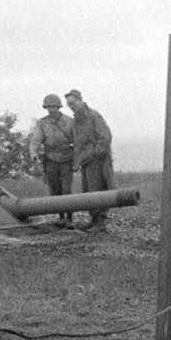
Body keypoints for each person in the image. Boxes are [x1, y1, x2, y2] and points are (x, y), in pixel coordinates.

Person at [66, 88, 115, 233]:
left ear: (80, 101)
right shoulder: (76, 121)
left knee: (98, 190)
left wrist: (97, 153)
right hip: (86, 161)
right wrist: (77, 161)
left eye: (73, 103)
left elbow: (105, 136)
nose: (72, 107)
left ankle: (101, 223)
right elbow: (77, 143)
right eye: (69, 105)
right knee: (89, 192)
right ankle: (94, 220)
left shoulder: (94, 115)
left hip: (98, 161)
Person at [29, 93, 75, 227]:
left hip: (67, 160)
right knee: (55, 191)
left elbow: (77, 141)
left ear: (58, 107)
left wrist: (77, 160)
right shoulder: (42, 123)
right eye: (48, 107)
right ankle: (61, 218)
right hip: (50, 160)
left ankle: (70, 219)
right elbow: (36, 140)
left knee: (67, 191)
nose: (51, 109)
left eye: (53, 106)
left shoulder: (69, 122)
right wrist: (33, 153)